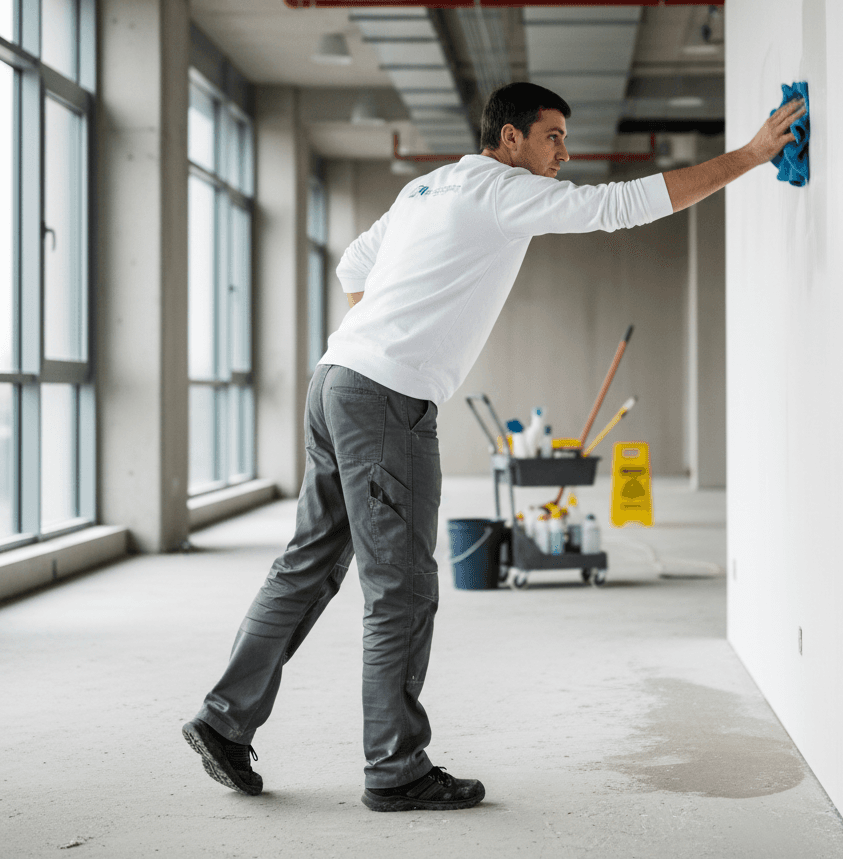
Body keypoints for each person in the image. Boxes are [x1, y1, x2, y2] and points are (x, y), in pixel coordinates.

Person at [182, 82, 805, 812]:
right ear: (510, 139)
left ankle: (225, 720)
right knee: (401, 590)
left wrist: (387, 332)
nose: (562, 154)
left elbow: (354, 265)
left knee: (309, 563)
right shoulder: (502, 191)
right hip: (383, 400)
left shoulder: (430, 186)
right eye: (552, 137)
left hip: (336, 381)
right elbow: (619, 206)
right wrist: (750, 156)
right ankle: (395, 770)